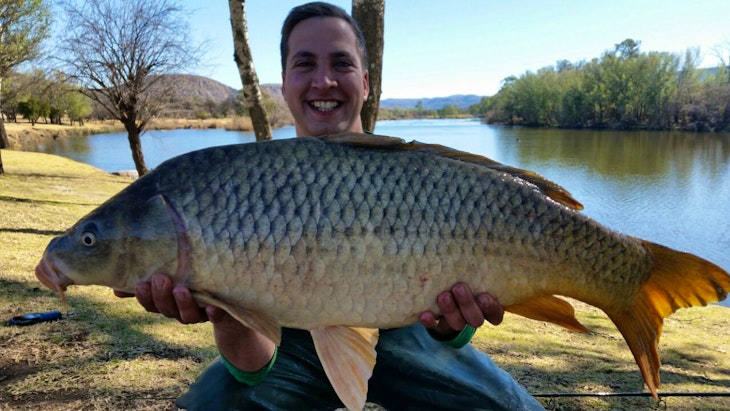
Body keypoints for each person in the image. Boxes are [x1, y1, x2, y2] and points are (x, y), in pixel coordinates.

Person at [116, 2, 544, 410]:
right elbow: (253, 368)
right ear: (284, 83)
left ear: (366, 83)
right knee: (218, 402)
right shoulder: (244, 183)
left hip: (411, 331)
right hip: (292, 338)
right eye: (305, 64)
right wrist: (224, 314)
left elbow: (457, 320)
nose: (324, 81)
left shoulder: (416, 175)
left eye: (341, 63)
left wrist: (452, 325)